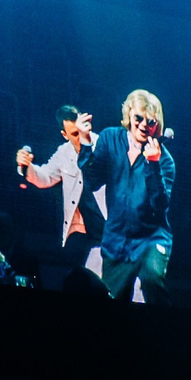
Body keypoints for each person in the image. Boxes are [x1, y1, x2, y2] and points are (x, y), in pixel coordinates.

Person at [76, 88, 174, 302]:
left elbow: (160, 205)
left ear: (157, 125)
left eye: (151, 122)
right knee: (113, 297)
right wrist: (84, 142)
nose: (143, 125)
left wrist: (153, 164)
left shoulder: (165, 161)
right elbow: (93, 181)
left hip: (150, 239)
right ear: (129, 115)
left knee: (152, 280)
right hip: (117, 240)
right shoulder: (110, 139)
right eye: (139, 118)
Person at [15, 105, 108, 291]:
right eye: (74, 134)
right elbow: (45, 177)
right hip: (91, 235)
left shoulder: (104, 145)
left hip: (114, 226)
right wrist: (26, 167)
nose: (79, 137)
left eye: (81, 131)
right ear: (65, 135)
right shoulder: (64, 153)